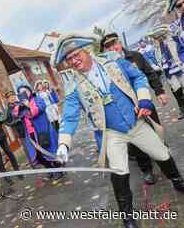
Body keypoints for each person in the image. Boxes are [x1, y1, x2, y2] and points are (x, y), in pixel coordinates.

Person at [51, 34, 184, 228]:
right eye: (69, 59)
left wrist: (144, 99)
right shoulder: (73, 85)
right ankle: (128, 217)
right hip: (111, 133)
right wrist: (63, 144)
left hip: (136, 122)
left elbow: (138, 77)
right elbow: (69, 116)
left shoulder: (113, 62)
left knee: (161, 153)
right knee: (119, 172)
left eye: (76, 54)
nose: (74, 60)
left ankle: (177, 180)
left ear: (86, 51)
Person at [100, 32, 169, 185]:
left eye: (114, 43)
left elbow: (150, 74)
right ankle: (146, 170)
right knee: (136, 141)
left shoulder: (135, 56)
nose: (112, 48)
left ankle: (165, 157)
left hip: (144, 102)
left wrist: (160, 92)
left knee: (156, 130)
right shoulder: (105, 66)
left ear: (119, 43)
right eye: (108, 46)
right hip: (129, 110)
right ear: (105, 50)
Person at [12, 85, 63, 180]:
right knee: (39, 155)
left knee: (49, 151)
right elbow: (15, 115)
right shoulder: (20, 105)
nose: (24, 93)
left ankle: (59, 171)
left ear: (30, 91)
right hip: (31, 134)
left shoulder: (37, 99)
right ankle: (50, 170)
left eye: (25, 91)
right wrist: (19, 106)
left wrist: (28, 105)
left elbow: (38, 110)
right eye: (21, 92)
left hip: (43, 131)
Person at [147, 24, 184, 120]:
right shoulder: (156, 48)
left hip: (179, 67)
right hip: (169, 72)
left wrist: (181, 60)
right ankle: (182, 108)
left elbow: (181, 50)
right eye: (157, 37)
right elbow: (156, 59)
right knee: (176, 90)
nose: (158, 39)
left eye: (159, 36)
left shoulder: (173, 40)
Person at [4, 90, 34, 168]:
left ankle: (40, 160)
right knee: (27, 148)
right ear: (7, 99)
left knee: (34, 145)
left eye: (13, 96)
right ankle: (33, 164)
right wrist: (16, 121)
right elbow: (7, 122)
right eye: (10, 97)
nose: (12, 98)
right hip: (20, 132)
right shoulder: (7, 110)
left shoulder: (20, 103)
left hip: (29, 128)